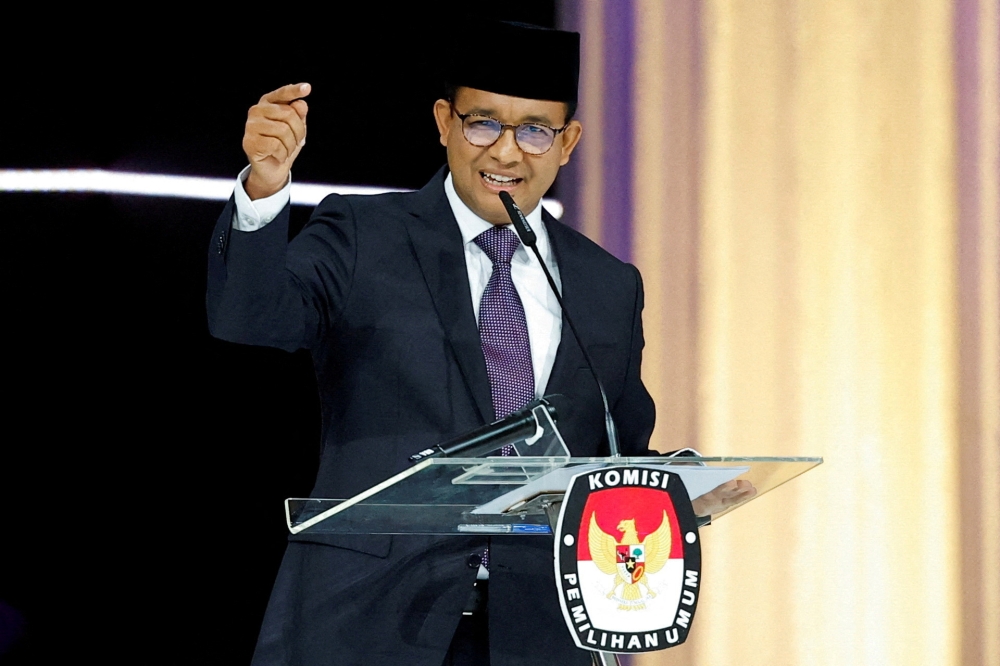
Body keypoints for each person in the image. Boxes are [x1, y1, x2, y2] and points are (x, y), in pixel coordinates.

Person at [207, 20, 753, 666]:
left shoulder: (608, 285)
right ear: (444, 122)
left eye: (535, 130)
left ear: (568, 142)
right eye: (484, 124)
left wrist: (677, 487)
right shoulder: (363, 235)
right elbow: (249, 318)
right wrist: (265, 187)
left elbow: (616, 452)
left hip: (540, 637)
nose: (507, 153)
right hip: (366, 625)